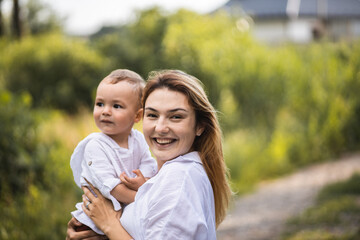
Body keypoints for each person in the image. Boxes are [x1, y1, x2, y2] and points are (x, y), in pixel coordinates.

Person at [66, 69, 232, 240]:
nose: (160, 128)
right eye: (152, 115)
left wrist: (109, 224)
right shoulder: (172, 175)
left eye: (175, 117)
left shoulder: (179, 178)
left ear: (200, 126)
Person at [69, 69, 157, 235]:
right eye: (100, 104)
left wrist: (143, 182)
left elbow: (149, 165)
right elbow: (110, 187)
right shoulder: (95, 146)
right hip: (93, 221)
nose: (105, 111)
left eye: (116, 106)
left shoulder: (138, 140)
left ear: (137, 116)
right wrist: (144, 197)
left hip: (123, 215)